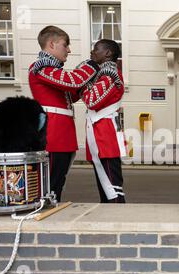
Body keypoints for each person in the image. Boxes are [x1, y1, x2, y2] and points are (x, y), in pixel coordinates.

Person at [28, 26, 100, 202]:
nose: (68, 50)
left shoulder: (55, 71)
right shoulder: (41, 67)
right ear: (52, 44)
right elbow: (74, 81)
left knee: (58, 182)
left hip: (63, 134)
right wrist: (90, 65)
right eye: (65, 45)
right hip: (53, 135)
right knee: (49, 185)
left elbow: (70, 94)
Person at [81, 39, 126, 203]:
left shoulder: (109, 75)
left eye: (96, 49)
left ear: (108, 53)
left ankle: (117, 223)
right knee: (105, 189)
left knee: (112, 190)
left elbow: (91, 100)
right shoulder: (102, 75)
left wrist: (83, 82)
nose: (92, 52)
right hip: (101, 136)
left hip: (105, 138)